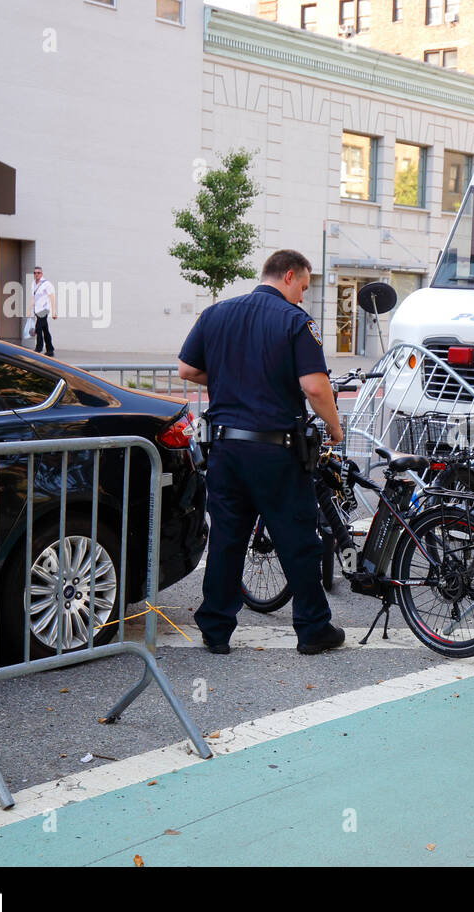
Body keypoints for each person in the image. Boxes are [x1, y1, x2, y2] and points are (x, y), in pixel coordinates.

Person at [177, 250, 346, 656]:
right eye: (303, 288)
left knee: (228, 539)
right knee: (297, 539)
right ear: (289, 276)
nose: (302, 298)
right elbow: (316, 388)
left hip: (225, 449)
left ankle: (215, 630)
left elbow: (186, 369)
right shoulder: (294, 322)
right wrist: (335, 430)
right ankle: (313, 629)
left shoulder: (216, 314)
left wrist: (226, 375)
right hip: (275, 452)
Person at [30, 266, 56, 356]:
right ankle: (50, 349)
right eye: (35, 273)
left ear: (41, 274)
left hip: (44, 310)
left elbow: (52, 297)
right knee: (45, 330)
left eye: (38, 273)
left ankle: (38, 348)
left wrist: (53, 312)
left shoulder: (46, 284)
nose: (36, 274)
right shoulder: (33, 283)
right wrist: (29, 310)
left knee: (38, 327)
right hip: (37, 310)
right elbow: (33, 297)